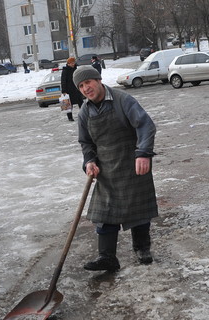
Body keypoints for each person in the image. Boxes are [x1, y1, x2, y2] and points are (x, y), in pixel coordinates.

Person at [73, 66, 158, 271]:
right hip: (107, 169)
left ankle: (142, 249)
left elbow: (146, 126)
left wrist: (143, 153)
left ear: (98, 80)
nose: (86, 88)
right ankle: (107, 257)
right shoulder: (85, 112)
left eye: (88, 82)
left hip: (133, 164)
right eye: (81, 86)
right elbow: (86, 143)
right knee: (105, 213)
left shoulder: (122, 100)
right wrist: (89, 161)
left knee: (137, 210)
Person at [60, 57, 83, 122]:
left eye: (74, 62)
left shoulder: (76, 69)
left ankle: (84, 115)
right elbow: (63, 81)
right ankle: (70, 117)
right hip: (69, 90)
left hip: (77, 89)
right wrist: (64, 91)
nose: (73, 64)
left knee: (81, 103)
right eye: (71, 63)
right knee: (69, 105)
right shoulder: (65, 70)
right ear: (68, 63)